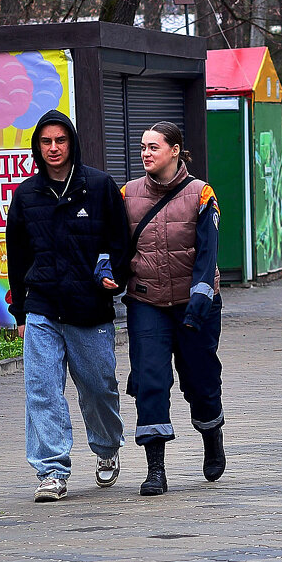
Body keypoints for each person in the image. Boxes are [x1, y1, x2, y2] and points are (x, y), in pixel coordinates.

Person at [6, 110, 131, 502]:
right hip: (43, 306)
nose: (54, 148)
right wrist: (22, 312)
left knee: (99, 389)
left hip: (89, 308)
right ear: (37, 147)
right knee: (42, 390)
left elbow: (120, 241)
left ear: (71, 143)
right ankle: (52, 471)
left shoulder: (99, 186)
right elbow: (17, 256)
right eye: (46, 142)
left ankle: (107, 449)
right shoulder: (26, 196)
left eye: (60, 141)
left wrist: (116, 276)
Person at [121, 121, 225, 496]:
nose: (146, 153)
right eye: (143, 147)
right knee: (151, 380)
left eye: (154, 147)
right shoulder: (127, 195)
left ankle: (212, 435)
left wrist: (199, 304)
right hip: (147, 301)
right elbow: (115, 245)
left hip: (194, 303)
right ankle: (155, 469)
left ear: (175, 150)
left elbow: (207, 251)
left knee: (200, 381)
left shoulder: (201, 194)